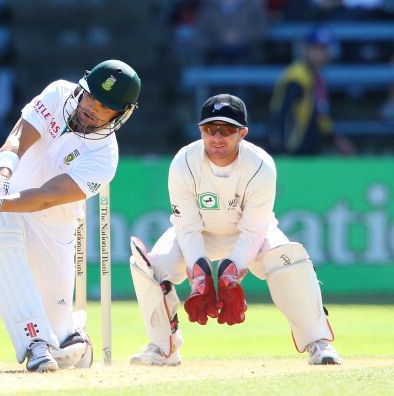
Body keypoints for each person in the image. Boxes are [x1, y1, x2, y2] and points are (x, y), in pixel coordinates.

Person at [0, 59, 141, 372]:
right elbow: (15, 141)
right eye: (91, 96)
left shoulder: (104, 157)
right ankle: (34, 342)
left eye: (104, 106)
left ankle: (73, 340)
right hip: (9, 199)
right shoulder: (57, 94)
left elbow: (46, 197)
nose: (92, 107)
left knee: (63, 344)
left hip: (52, 227)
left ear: (120, 115)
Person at [128, 93, 341, 366]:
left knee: (288, 258)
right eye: (209, 129)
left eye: (226, 130)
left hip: (249, 237)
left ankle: (318, 343)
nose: (217, 137)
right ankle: (162, 347)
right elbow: (187, 228)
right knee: (151, 267)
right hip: (199, 235)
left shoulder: (260, 166)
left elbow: (254, 230)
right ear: (200, 130)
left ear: (242, 133)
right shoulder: (184, 162)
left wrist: (230, 275)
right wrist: (200, 278)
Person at [267, 26, 355, 155]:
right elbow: (282, 113)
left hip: (308, 150)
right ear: (305, 50)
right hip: (292, 150)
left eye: (324, 49)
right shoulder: (296, 76)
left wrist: (336, 139)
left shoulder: (317, 78)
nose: (320, 55)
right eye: (316, 49)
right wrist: (281, 149)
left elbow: (320, 115)